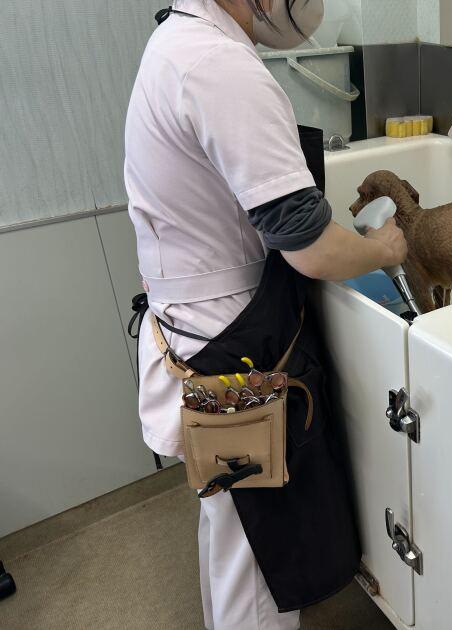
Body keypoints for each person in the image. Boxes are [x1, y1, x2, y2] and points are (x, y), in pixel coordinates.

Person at [124, 1, 408, 628]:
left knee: (231, 528)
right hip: (231, 348)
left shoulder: (177, 42)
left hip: (197, 333)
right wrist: (385, 249)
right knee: (262, 546)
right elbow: (311, 246)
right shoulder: (217, 65)